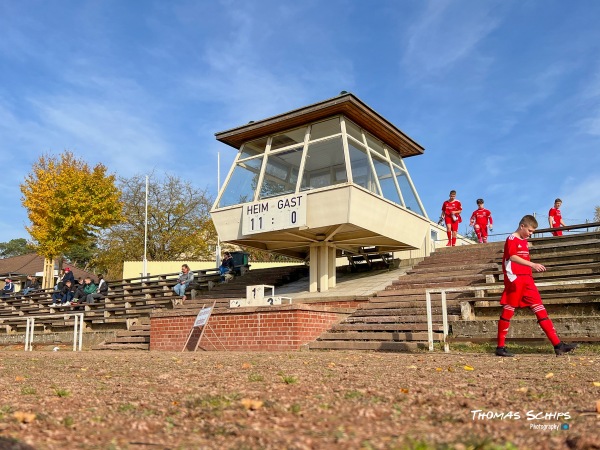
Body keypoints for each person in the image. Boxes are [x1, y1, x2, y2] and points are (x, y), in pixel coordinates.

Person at [496, 215, 577, 357]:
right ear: (522, 226)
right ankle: (500, 347)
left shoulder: (524, 241)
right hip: (515, 280)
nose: (530, 234)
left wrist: (531, 269)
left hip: (527, 280)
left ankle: (558, 345)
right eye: (530, 231)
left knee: (540, 309)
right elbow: (512, 257)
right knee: (508, 311)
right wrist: (533, 265)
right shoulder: (512, 239)